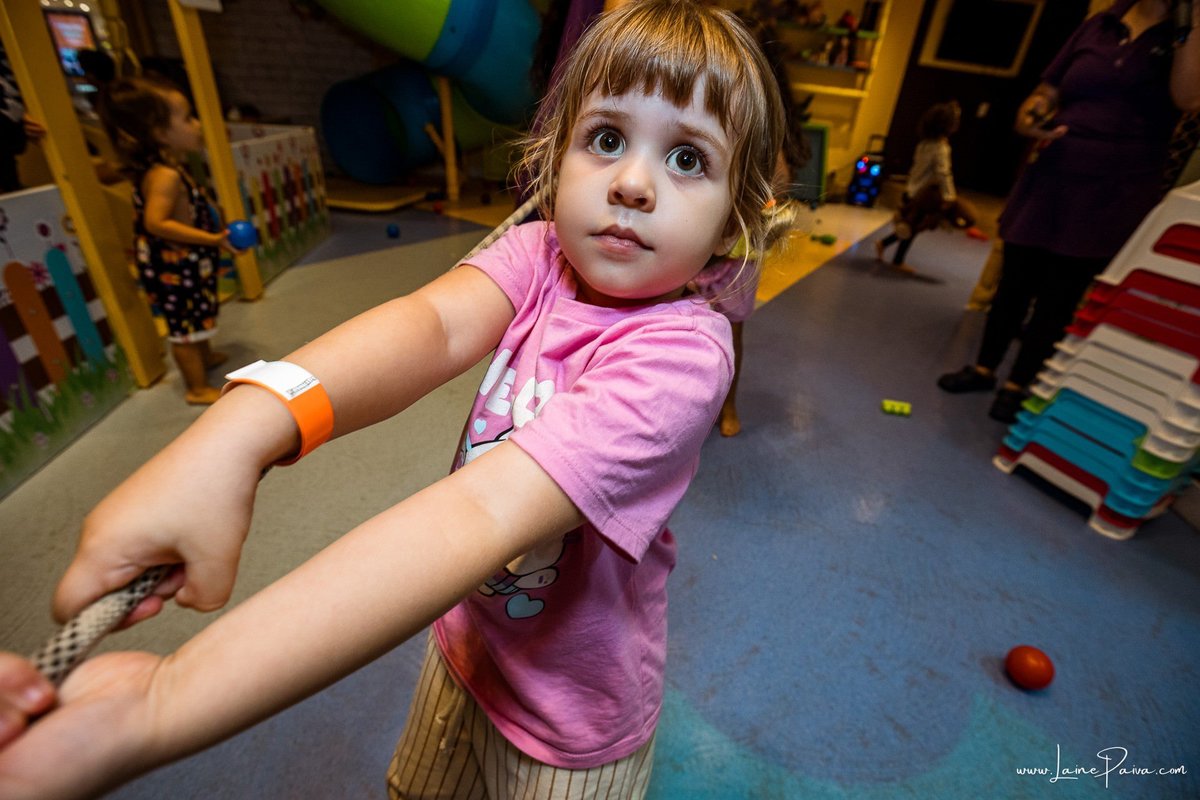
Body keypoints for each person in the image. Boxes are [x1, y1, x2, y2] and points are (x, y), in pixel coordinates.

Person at [0, 3, 794, 798]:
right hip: (465, 646)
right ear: (558, 155)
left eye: (688, 158)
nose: (630, 182)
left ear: (736, 221)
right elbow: (432, 326)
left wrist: (163, 702)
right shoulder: (540, 251)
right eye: (608, 139)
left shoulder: (682, 360)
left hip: (568, 725)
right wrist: (237, 435)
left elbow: (478, 517)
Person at [938, 0, 1200, 423]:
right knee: (1016, 277)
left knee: (1061, 292)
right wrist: (1032, 110)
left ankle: (1019, 385)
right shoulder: (1100, 24)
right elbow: (1050, 88)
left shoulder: (1183, 33)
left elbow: (1188, 97)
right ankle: (983, 367)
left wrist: (1194, 22)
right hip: (1054, 167)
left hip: (1116, 185)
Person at [98, 76, 239, 405]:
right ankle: (196, 386)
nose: (196, 124)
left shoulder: (169, 168)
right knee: (183, 330)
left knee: (196, 313)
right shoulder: (166, 175)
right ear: (159, 133)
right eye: (187, 118)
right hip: (173, 268)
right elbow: (156, 222)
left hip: (188, 264)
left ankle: (205, 358)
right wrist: (211, 238)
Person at [874, 101, 975, 275]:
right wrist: (949, 196)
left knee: (911, 226)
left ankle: (885, 245)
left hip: (912, 191)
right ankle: (895, 257)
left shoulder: (924, 144)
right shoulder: (941, 148)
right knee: (912, 228)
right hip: (924, 195)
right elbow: (944, 173)